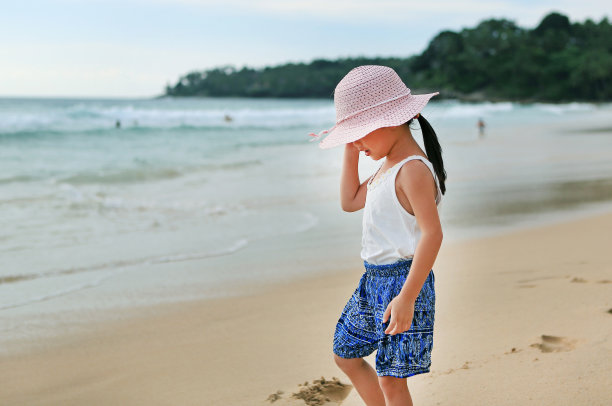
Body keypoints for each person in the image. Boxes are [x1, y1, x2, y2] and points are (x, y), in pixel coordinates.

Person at [308, 65, 446, 406]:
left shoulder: (412, 169)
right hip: (373, 282)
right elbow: (349, 201)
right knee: (346, 354)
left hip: (404, 282)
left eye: (360, 133)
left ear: (391, 120)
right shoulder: (387, 166)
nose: (356, 143)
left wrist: (407, 297)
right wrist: (351, 148)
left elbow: (432, 234)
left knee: (392, 379)